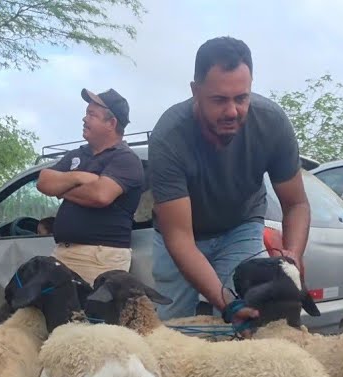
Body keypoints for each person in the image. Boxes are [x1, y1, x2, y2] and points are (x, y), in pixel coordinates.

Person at [148, 37, 310, 324]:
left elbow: (296, 203)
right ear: (195, 91)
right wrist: (225, 303)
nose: (233, 111)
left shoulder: (272, 123)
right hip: (183, 235)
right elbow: (180, 237)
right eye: (219, 99)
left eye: (242, 98)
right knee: (176, 327)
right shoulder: (169, 137)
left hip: (240, 225)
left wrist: (293, 255)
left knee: (250, 316)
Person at [37, 89, 145, 284]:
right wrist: (79, 176)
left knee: (88, 314)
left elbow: (100, 196)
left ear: (111, 124)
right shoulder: (78, 154)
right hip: (63, 252)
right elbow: (43, 181)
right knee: (52, 313)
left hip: (99, 257)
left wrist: (60, 188)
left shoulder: (126, 159)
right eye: (86, 113)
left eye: (92, 115)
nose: (84, 119)